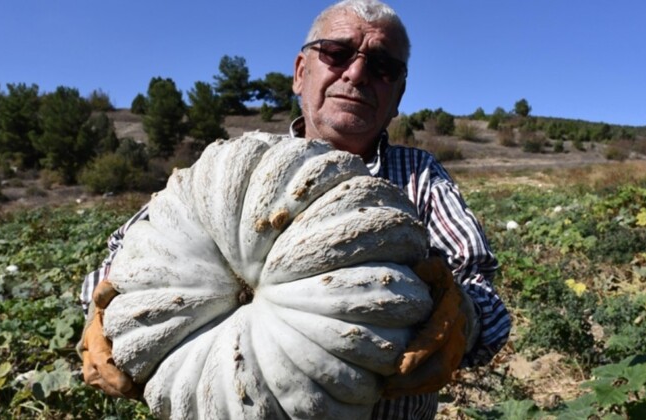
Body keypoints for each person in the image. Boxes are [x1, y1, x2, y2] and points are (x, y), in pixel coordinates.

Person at [78, 0, 511, 419]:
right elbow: (122, 262)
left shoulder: (418, 175)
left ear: (398, 95)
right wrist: (105, 315)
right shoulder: (230, 166)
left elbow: (483, 296)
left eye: (383, 67)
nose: (357, 73)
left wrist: (463, 319)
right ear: (301, 73)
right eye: (338, 53)